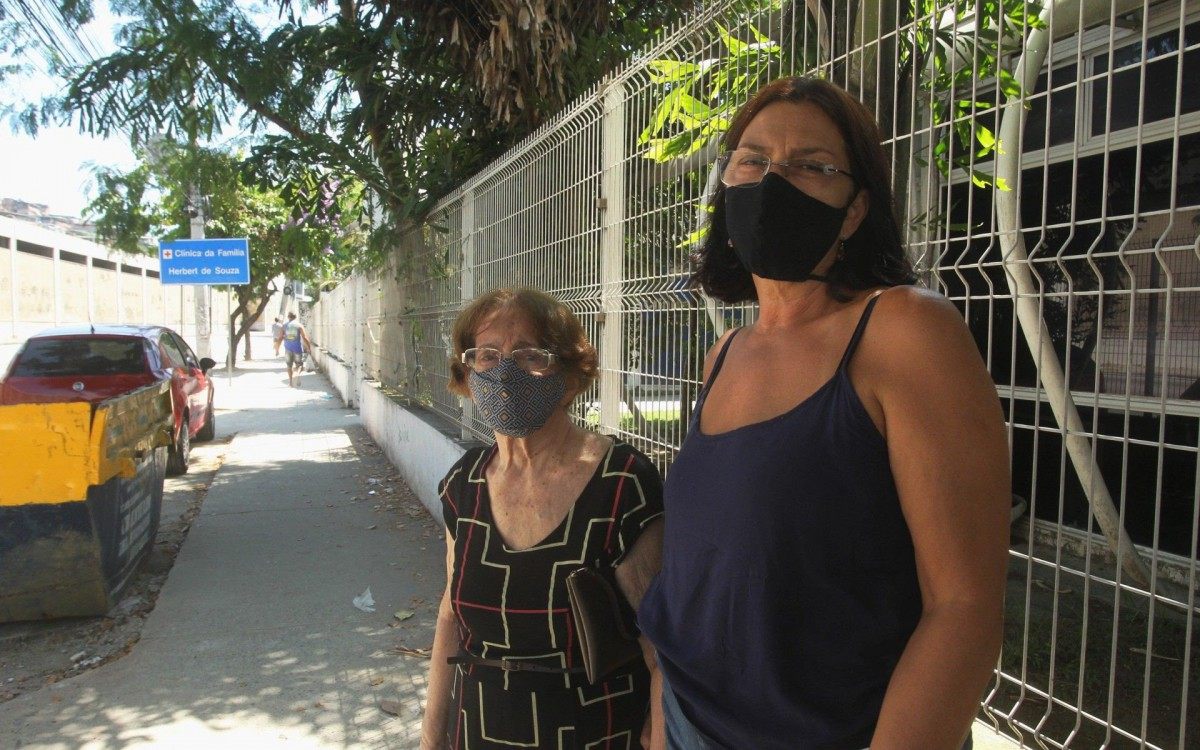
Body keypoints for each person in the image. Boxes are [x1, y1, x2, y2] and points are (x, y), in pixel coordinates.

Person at [636, 76, 1011, 749]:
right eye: (752, 161)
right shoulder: (725, 353)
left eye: (812, 166)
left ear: (856, 209)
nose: (774, 181)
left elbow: (965, 608)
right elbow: (702, 568)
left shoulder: (903, 331)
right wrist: (664, 718)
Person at [422, 287, 666, 750]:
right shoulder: (465, 485)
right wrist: (431, 741)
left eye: (530, 355)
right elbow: (451, 617)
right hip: (480, 732)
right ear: (466, 375)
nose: (506, 372)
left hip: (597, 732)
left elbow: (660, 653)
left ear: (571, 377)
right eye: (487, 356)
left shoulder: (621, 482)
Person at [281, 312, 310, 387]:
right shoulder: (299, 325)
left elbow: (280, 337)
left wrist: (277, 348)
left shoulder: (284, 325)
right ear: (295, 317)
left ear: (288, 317)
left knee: (289, 366)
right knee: (299, 365)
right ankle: (297, 375)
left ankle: (290, 383)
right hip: (297, 349)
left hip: (288, 349)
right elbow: (304, 337)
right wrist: (308, 347)